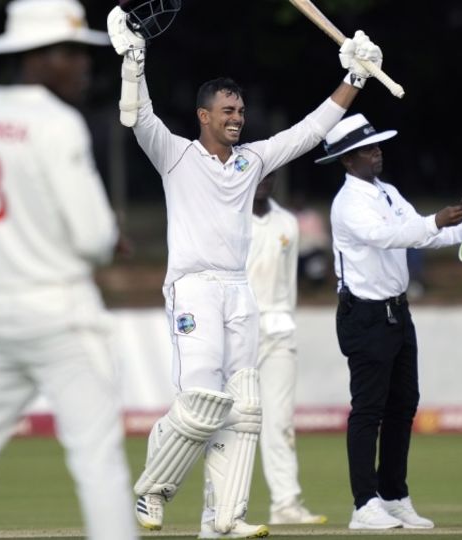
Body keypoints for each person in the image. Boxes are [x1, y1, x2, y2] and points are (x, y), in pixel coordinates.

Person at [107, 6, 383, 538]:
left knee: (245, 408)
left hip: (239, 291)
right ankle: (153, 488)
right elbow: (138, 116)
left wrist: (354, 77)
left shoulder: (251, 161)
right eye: (227, 109)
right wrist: (133, 61)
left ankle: (225, 517)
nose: (237, 116)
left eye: (241, 109)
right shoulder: (176, 156)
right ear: (203, 116)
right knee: (202, 404)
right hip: (193, 288)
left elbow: (308, 131)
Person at [0, 1, 136, 539]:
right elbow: (92, 238)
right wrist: (112, 235)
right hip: (61, 313)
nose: (85, 65)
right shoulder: (58, 125)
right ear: (37, 57)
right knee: (97, 460)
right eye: (72, 53)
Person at [317, 113, 462, 530]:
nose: (378, 151)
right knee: (368, 410)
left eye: (377, 145)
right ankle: (363, 505)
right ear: (348, 159)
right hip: (365, 315)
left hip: (396, 311)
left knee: (403, 405)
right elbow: (390, 237)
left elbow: (418, 232)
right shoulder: (348, 204)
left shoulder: (386, 191)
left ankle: (393, 495)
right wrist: (434, 222)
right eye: (369, 148)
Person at [247, 175, 327, 526]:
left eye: (269, 174)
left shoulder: (287, 222)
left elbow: (289, 283)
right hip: (236, 331)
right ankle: (218, 506)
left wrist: (286, 320)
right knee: (232, 423)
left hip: (278, 329)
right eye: (256, 174)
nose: (263, 182)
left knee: (279, 422)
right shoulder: (226, 214)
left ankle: (285, 504)